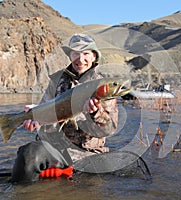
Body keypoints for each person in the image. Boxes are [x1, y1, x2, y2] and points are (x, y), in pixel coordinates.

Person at [11, 34, 118, 183]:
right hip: (54, 149)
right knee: (28, 155)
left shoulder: (103, 86)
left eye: (86, 53)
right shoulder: (57, 80)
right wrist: (38, 119)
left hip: (87, 154)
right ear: (70, 56)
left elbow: (109, 129)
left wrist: (96, 113)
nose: (80, 60)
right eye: (75, 53)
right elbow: (47, 111)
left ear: (94, 57)